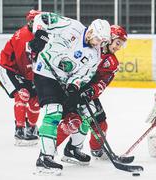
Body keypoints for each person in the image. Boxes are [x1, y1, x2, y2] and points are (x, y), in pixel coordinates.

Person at [29, 12, 111, 175]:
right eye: (98, 40)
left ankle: (73, 149)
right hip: (44, 72)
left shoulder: (95, 54)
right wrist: (40, 35)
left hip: (63, 81)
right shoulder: (71, 26)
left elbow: (84, 75)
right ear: (91, 32)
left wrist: (74, 85)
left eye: (102, 42)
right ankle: (45, 158)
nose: (99, 44)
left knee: (85, 113)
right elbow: (42, 18)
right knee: (54, 111)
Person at [55, 25, 128, 165]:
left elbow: (102, 82)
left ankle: (95, 149)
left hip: (87, 93)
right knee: (73, 122)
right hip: (70, 89)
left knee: (101, 124)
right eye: (118, 42)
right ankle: (49, 151)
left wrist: (91, 91)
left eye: (121, 44)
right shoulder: (91, 47)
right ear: (109, 39)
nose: (119, 47)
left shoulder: (112, 63)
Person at [0, 9, 42, 146]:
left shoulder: (41, 34)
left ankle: (31, 126)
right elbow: (25, 65)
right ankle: (20, 129)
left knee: (36, 100)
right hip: (6, 69)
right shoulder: (23, 38)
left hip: (23, 72)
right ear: (31, 22)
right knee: (23, 94)